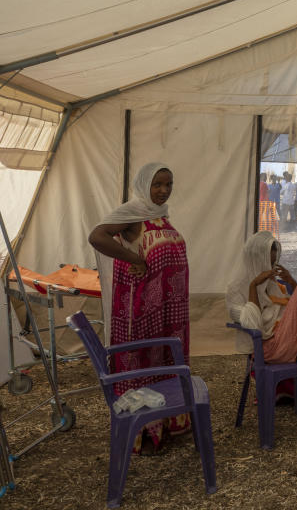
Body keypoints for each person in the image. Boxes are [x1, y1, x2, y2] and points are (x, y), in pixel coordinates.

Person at [87, 162, 191, 454]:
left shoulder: (160, 215)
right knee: (143, 364)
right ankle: (143, 431)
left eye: (168, 184)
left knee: (165, 361)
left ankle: (168, 422)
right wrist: (133, 259)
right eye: (157, 184)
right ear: (144, 184)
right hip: (142, 310)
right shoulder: (132, 213)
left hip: (171, 312)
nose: (163, 190)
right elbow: (97, 236)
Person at [225, 231, 297, 368]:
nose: (271, 268)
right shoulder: (235, 290)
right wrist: (254, 285)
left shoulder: (273, 284)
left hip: (294, 338)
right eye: (268, 263)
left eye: (273, 263)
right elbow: (253, 324)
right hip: (272, 347)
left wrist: (292, 283)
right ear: (255, 260)